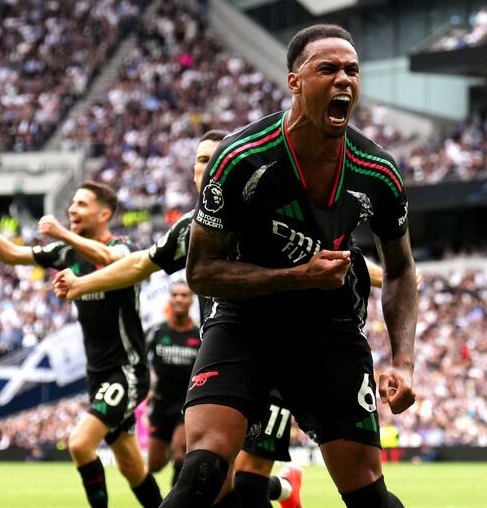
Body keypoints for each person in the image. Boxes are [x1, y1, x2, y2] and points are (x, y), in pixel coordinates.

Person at [165, 23, 418, 508]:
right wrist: (297, 276)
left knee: (367, 491)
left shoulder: (378, 171)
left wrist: (403, 362)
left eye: (352, 70)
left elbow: (403, 269)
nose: (344, 79)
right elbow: (201, 272)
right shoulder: (240, 158)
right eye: (328, 69)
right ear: (295, 81)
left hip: (331, 328)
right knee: (204, 467)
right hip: (245, 320)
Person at [53, 131, 304, 508]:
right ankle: (285, 490)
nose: (208, 166)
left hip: (278, 362)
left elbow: (332, 253)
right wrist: (80, 283)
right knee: (216, 481)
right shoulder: (191, 227)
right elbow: (139, 264)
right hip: (228, 360)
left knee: (244, 485)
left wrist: (392, 275)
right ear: (193, 173)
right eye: (201, 160)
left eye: (216, 158)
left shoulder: (268, 211)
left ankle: (284, 488)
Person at [0, 182, 162, 508]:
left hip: (126, 370)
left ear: (104, 213)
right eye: (72, 203)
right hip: (97, 373)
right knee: (130, 465)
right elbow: (10, 254)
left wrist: (61, 232)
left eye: (81, 204)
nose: (72, 209)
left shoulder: (124, 245)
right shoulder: (67, 254)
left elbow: (111, 258)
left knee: (80, 444)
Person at [145, 281, 201, 485]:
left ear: (191, 300)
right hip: (160, 403)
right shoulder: (156, 332)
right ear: (169, 299)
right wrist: (148, 388)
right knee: (155, 464)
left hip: (186, 403)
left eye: (184, 295)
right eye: (175, 295)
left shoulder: (200, 335)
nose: (179, 299)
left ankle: (175, 499)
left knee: (180, 454)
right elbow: (141, 362)